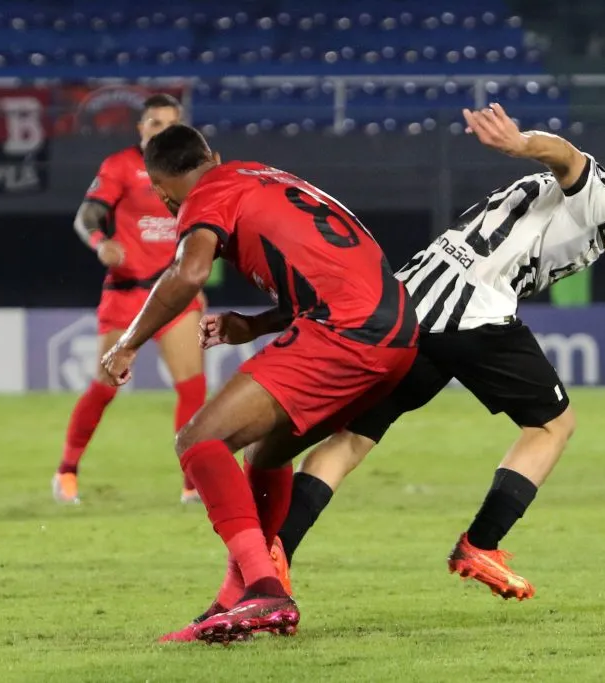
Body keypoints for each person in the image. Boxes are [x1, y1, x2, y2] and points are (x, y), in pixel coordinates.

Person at [259, 103, 605, 601]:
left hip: (410, 307)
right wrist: (520, 143)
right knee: (554, 424)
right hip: (473, 313)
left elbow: (584, 212)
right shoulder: (596, 189)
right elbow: (567, 156)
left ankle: (274, 554)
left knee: (354, 438)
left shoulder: (592, 209)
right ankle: (480, 544)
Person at [99, 124, 419, 643]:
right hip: (398, 334)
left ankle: (265, 588)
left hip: (348, 331)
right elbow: (324, 270)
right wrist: (254, 325)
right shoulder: (262, 176)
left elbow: (189, 272)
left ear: (160, 190)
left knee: (199, 440)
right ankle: (237, 599)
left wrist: (128, 342)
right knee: (267, 454)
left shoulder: (206, 194)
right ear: (213, 155)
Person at [53, 94, 207, 506]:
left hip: (173, 291)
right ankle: (67, 470)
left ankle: (192, 485)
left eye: (170, 125)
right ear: (141, 128)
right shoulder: (120, 166)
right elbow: (86, 217)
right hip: (129, 292)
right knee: (105, 387)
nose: (161, 131)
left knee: (193, 388)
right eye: (154, 124)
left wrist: (198, 282)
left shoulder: (191, 171)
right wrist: (101, 243)